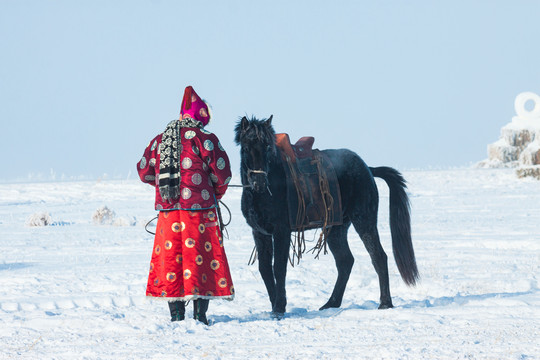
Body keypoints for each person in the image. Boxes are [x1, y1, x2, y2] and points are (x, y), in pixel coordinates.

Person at [137, 86, 234, 325]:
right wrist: (212, 194)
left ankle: (177, 316)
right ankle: (200, 316)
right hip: (199, 215)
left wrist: (165, 190)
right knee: (200, 260)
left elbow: (144, 171)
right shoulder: (207, 140)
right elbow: (223, 175)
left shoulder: (159, 140)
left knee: (172, 261)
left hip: (168, 216)